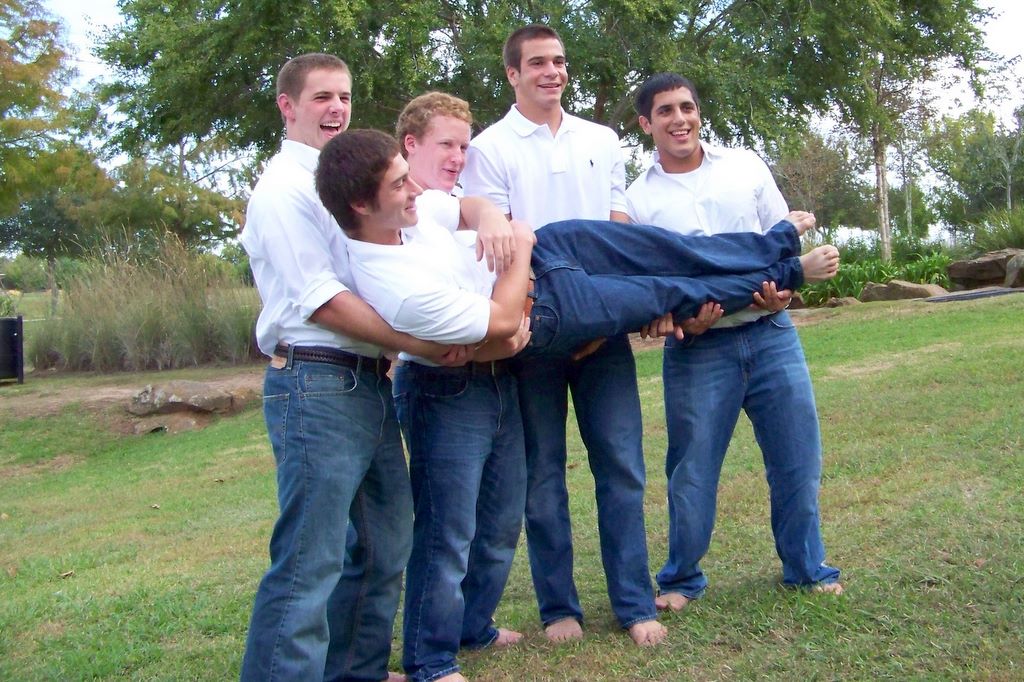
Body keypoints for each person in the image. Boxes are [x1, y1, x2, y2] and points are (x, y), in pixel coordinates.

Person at [238, 53, 468, 682]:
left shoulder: (344, 182)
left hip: (365, 380)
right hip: (315, 381)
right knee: (308, 560)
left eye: (343, 96)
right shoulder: (283, 191)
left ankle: (356, 671)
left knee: (385, 541)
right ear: (287, 106)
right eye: (321, 98)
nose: (336, 108)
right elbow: (321, 300)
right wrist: (416, 344)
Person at [459, 23, 667, 647]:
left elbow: (618, 233)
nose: (553, 71)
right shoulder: (489, 149)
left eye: (559, 61)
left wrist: (603, 316)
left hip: (603, 335)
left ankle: (634, 603)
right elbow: (499, 249)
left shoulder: (601, 139)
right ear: (512, 74)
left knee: (622, 467)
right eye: (538, 63)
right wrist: (555, 319)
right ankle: (558, 609)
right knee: (543, 476)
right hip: (531, 337)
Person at [625, 72, 843, 612]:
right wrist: (685, 321)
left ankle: (806, 568)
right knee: (692, 472)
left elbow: (779, 244)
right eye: (666, 111)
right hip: (697, 351)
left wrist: (783, 293)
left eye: (687, 107)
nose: (680, 119)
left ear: (698, 112)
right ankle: (681, 579)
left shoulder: (745, 166)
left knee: (797, 460)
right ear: (645, 123)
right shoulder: (638, 200)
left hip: (772, 336)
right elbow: (655, 286)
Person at [391, 91, 530, 682]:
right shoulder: (403, 218)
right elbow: (450, 328)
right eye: (445, 144)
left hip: (500, 382)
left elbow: (472, 210)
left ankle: (474, 626)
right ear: (411, 145)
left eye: (464, 146)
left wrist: (492, 215)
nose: (457, 156)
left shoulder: (453, 207)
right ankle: (430, 657)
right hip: (441, 386)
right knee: (447, 530)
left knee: (500, 520)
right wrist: (504, 334)